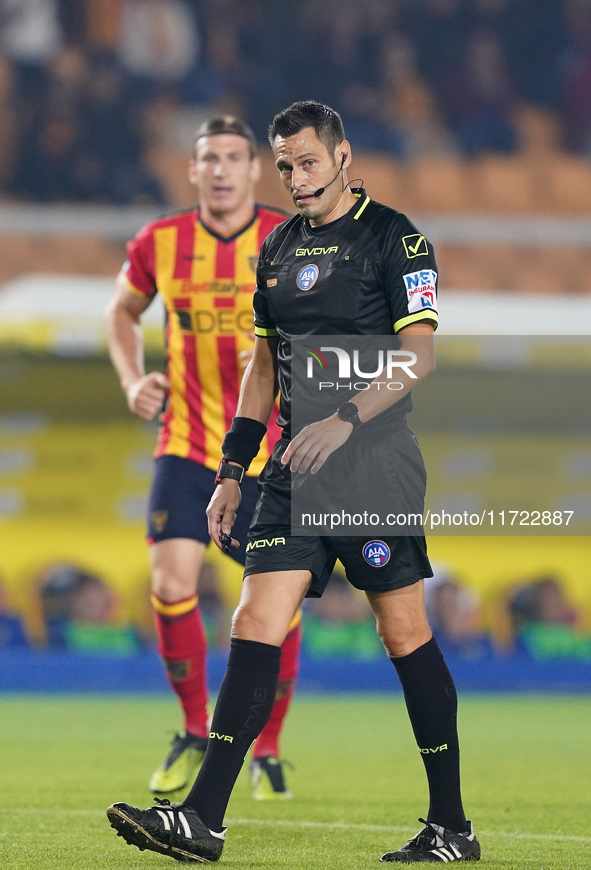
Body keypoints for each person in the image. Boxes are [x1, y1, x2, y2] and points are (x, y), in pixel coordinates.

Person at [107, 100, 480, 864]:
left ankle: (451, 827)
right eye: (285, 166)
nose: (296, 178)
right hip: (289, 470)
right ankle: (202, 817)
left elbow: (420, 355)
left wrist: (345, 416)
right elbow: (264, 366)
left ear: (342, 156)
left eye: (307, 162)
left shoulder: (396, 238)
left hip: (372, 465)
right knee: (253, 620)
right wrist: (231, 472)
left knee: (402, 632)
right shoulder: (275, 247)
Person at [105, 115, 302, 800]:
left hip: (267, 452)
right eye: (207, 158)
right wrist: (134, 380)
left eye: (232, 157)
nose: (219, 169)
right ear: (191, 172)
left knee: (277, 603)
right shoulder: (160, 242)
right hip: (187, 444)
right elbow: (122, 314)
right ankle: (194, 727)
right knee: (169, 579)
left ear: (254, 170)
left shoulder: (286, 237)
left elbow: (330, 319)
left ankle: (266, 744)